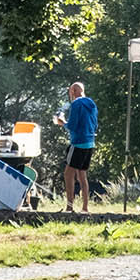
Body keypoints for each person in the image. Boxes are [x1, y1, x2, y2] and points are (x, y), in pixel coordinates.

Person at [54, 82, 98, 213]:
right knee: (82, 175)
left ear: (73, 91)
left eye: (70, 93)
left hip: (78, 142)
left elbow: (72, 125)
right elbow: (95, 125)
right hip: (90, 142)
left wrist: (62, 122)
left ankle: (69, 206)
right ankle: (85, 207)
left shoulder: (76, 104)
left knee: (68, 174)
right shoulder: (92, 104)